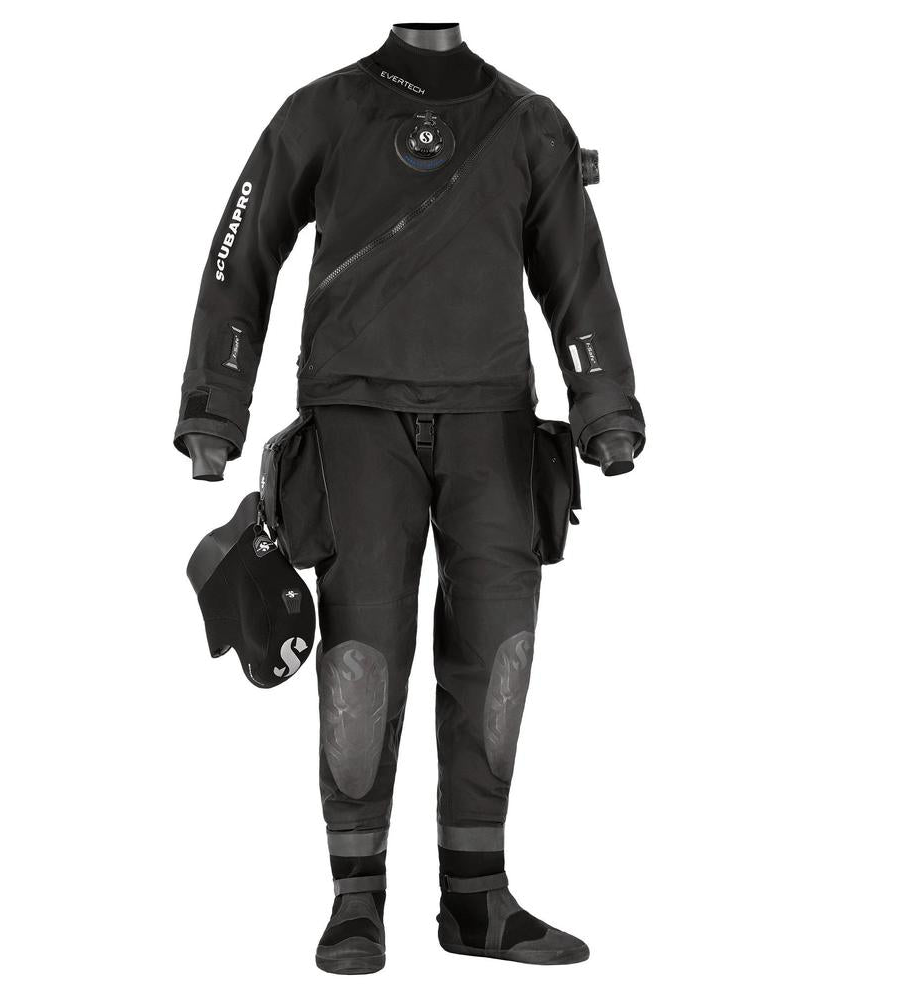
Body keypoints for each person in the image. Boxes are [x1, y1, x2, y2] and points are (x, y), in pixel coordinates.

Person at [173, 22, 645, 973]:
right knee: (361, 657)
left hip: (493, 425)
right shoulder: (323, 112)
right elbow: (242, 248)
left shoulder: (529, 125)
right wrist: (213, 405)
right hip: (355, 421)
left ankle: (477, 899)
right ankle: (357, 901)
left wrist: (606, 404)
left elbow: (577, 273)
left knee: (498, 657)